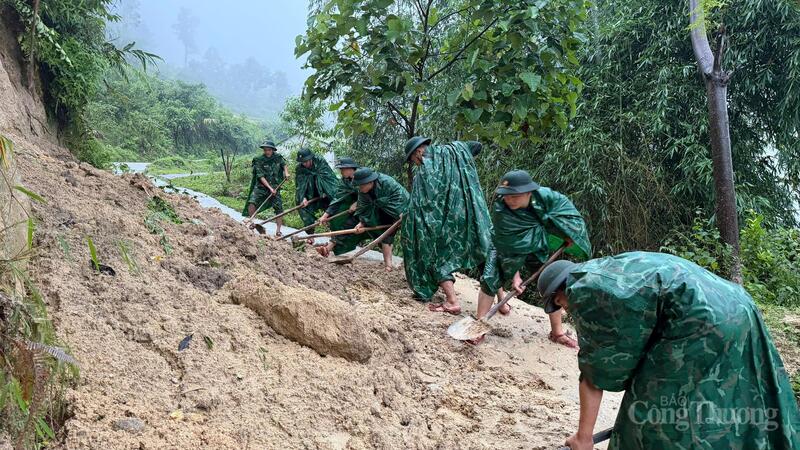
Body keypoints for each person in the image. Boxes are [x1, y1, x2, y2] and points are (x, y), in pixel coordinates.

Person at [537, 252, 800, 450]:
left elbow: (596, 372)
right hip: (738, 305)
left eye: (561, 304)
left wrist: (584, 437)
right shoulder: (611, 267)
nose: (567, 309)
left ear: (563, 289)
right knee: (730, 393)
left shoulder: (585, 289)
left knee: (648, 414)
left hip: (700, 319)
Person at [475, 170, 591, 348]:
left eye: (514, 195)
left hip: (538, 245)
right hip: (503, 245)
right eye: (506, 195)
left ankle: (557, 332)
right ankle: (478, 326)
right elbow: (509, 248)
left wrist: (566, 233)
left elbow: (568, 216)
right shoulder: (501, 210)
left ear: (529, 192)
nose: (509, 199)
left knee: (554, 282)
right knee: (490, 278)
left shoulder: (547, 198)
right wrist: (515, 277)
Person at [402, 136, 493, 314]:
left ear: (418, 151)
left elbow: (423, 207)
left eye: (412, 159)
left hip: (445, 223)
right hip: (469, 214)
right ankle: (502, 302)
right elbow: (476, 146)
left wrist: (408, 218)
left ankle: (452, 301)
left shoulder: (424, 172)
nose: (415, 163)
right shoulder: (453, 151)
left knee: (436, 257)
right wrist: (457, 150)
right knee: (484, 249)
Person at [342, 167, 410, 270]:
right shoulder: (363, 191)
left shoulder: (387, 183)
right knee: (385, 235)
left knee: (409, 236)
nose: (360, 188)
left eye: (361, 185)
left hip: (402, 208)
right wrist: (362, 223)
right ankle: (388, 265)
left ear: (369, 182)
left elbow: (400, 198)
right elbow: (364, 207)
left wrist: (401, 214)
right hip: (382, 210)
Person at [316, 157, 361, 257]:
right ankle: (329, 248)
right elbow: (337, 198)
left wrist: (358, 203)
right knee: (338, 221)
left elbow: (370, 193)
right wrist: (325, 215)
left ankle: (328, 248)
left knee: (350, 224)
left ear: (350, 169)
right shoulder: (344, 181)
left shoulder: (362, 176)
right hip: (353, 207)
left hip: (370, 208)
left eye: (342, 169)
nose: (341, 172)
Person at [242, 141, 289, 236]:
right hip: (261, 187)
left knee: (279, 208)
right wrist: (269, 188)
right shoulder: (258, 160)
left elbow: (284, 164)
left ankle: (278, 230)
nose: (267, 152)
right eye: (265, 150)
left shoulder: (278, 157)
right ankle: (252, 223)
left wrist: (286, 173)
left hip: (276, 187)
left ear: (273, 150)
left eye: (269, 150)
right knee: (252, 202)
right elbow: (261, 176)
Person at [294, 148, 339, 239]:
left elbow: (329, 178)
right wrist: (303, 197)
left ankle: (335, 238)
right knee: (303, 206)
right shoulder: (300, 169)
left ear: (311, 158)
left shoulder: (319, 162)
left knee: (333, 210)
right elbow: (300, 185)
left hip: (326, 191)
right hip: (311, 194)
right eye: (302, 162)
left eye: (306, 161)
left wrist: (324, 191)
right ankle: (311, 235)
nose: (305, 164)